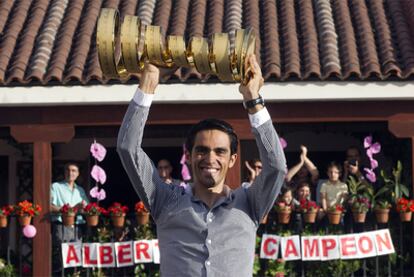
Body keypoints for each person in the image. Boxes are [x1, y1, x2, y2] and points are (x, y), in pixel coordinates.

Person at [117, 54, 287, 276]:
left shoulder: (250, 203)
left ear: (232, 159)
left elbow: (276, 167)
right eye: (202, 150)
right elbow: (128, 149)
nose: (210, 158)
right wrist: (148, 83)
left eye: (220, 151)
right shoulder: (165, 200)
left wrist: (253, 99)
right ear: (188, 156)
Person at [50, 163, 89, 274]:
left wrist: (83, 208)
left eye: (73, 170)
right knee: (60, 257)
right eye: (68, 170)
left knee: (75, 258)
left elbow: (86, 208)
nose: (70, 173)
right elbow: (49, 206)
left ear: (78, 174)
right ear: (64, 172)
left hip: (77, 227)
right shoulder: (56, 186)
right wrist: (70, 209)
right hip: (61, 225)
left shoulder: (80, 190)